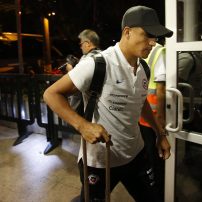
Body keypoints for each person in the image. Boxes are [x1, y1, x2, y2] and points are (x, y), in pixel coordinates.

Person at [43, 5, 173, 202]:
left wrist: (160, 133)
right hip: (100, 161)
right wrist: (83, 125)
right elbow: (51, 94)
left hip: (136, 155)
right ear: (127, 32)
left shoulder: (143, 67)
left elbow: (141, 103)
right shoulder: (97, 63)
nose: (153, 42)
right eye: (148, 35)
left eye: (155, 37)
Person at [139, 38, 166, 202]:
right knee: (157, 156)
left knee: (149, 154)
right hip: (153, 115)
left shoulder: (144, 52)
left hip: (143, 115)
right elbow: (161, 89)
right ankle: (159, 192)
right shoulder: (159, 52)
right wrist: (161, 117)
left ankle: (153, 187)